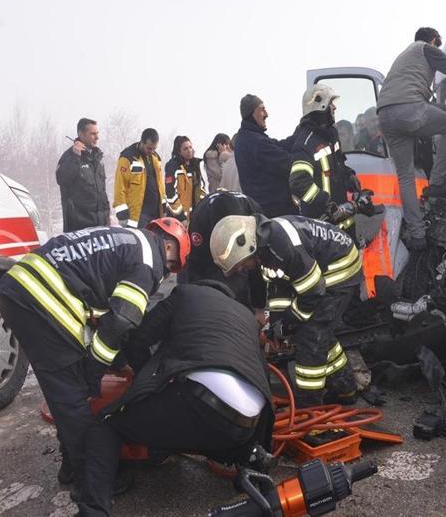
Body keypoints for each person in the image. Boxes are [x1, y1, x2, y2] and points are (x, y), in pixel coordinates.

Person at [0, 218, 190, 515]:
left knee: (64, 390)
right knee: (73, 398)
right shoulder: (148, 262)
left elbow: (103, 309)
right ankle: (92, 479)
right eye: (172, 267)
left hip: (20, 288)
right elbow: (123, 319)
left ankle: (72, 466)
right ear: (171, 247)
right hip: (41, 300)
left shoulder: (125, 240)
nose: (166, 274)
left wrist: (119, 361)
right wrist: (97, 366)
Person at [82, 279, 274, 517]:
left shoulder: (184, 293)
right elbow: (262, 374)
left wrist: (142, 382)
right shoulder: (244, 315)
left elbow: (138, 339)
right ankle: (250, 462)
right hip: (246, 427)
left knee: (105, 425)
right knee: (196, 419)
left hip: (198, 405)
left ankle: (92, 511)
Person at [211, 213, 361, 407]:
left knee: (311, 335)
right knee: (321, 335)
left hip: (338, 267)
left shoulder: (282, 247)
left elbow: (313, 293)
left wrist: (289, 323)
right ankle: (345, 389)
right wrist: (275, 326)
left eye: (241, 265)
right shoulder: (264, 248)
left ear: (248, 247)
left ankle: (311, 409)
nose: (242, 270)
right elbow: (278, 287)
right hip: (318, 273)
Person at [376, 27, 446, 249]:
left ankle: (417, 235)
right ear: (433, 40)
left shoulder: (404, 60)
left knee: (405, 177)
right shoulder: (426, 49)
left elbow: (419, 105)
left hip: (385, 115)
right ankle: (438, 182)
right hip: (408, 110)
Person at [289, 83, 365, 234]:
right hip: (322, 227)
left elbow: (338, 166)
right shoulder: (305, 142)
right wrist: (325, 203)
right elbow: (298, 181)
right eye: (331, 103)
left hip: (343, 223)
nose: (334, 108)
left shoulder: (331, 135)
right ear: (321, 106)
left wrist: (349, 176)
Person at [179, 189, 266, 310]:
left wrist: (259, 306)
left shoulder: (254, 216)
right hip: (205, 251)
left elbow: (258, 268)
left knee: (240, 285)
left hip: (244, 235)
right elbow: (194, 266)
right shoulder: (201, 221)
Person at [234, 94, 297, 217]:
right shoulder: (256, 142)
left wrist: (301, 131)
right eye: (262, 109)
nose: (267, 114)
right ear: (251, 113)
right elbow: (288, 164)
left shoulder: (247, 137)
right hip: (275, 214)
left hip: (262, 211)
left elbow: (280, 145)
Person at [56, 118, 110, 232]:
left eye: (97, 133)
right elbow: (62, 180)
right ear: (81, 134)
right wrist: (76, 157)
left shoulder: (98, 158)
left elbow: (102, 192)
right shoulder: (69, 157)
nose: (97, 137)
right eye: (93, 134)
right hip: (79, 229)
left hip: (101, 226)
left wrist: (107, 216)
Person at [112, 129, 165, 228]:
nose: (152, 151)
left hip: (156, 213)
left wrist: (163, 205)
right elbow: (120, 186)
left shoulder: (156, 157)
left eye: (154, 148)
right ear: (142, 142)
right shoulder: (127, 157)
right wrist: (122, 214)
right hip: (138, 216)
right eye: (149, 148)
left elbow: (160, 184)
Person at [164, 135, 206, 222]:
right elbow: (170, 194)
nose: (189, 151)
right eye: (185, 149)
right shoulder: (172, 167)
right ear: (179, 152)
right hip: (177, 219)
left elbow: (201, 190)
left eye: (190, 147)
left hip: (194, 218)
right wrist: (181, 218)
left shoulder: (195, 166)